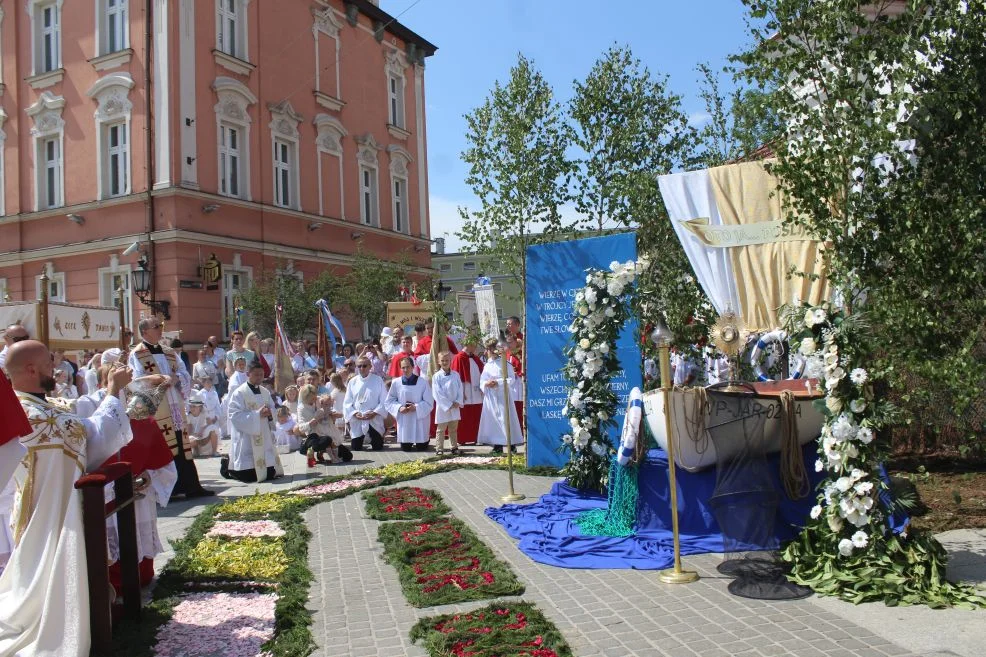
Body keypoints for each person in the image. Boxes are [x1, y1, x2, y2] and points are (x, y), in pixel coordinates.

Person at [1, 340, 131, 657]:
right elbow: (92, 436)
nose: (57, 367)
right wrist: (113, 392)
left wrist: (111, 390)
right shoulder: (33, 415)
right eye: (49, 362)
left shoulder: (33, 405)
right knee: (43, 579)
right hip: (50, 517)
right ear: (31, 369)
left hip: (38, 507)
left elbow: (79, 411)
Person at [129, 317, 213, 498]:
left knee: (182, 444)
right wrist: (157, 380)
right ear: (144, 332)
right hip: (158, 406)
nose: (160, 329)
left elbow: (184, 372)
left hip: (175, 403)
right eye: (156, 327)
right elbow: (137, 380)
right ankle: (169, 489)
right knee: (165, 445)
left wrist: (177, 379)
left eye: (161, 326)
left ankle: (191, 485)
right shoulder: (138, 354)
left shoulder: (169, 352)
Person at [221, 361, 283, 482]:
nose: (259, 377)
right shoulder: (239, 393)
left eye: (261, 374)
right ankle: (226, 465)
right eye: (256, 374)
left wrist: (270, 413)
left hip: (263, 434)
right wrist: (257, 414)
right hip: (247, 438)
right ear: (248, 374)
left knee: (270, 473)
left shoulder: (265, 392)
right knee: (247, 477)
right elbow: (234, 415)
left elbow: (273, 409)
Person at [477, 339, 524, 454]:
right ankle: (497, 445)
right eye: (487, 349)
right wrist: (486, 384)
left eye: (489, 349)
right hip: (491, 397)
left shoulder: (505, 363)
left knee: (506, 419)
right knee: (494, 420)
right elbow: (482, 380)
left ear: (494, 350)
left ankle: (511, 444)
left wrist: (498, 382)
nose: (487, 352)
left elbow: (511, 379)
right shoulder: (487, 365)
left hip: (502, 396)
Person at [386, 356, 434, 452]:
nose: (405, 370)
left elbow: (429, 402)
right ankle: (408, 442)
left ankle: (425, 440)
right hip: (405, 420)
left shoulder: (422, 382)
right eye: (403, 367)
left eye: (408, 367)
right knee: (406, 449)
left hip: (419, 419)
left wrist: (416, 407)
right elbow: (389, 401)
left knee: (421, 448)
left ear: (413, 367)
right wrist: (399, 408)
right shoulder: (396, 383)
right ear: (400, 368)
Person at [343, 356, 387, 451]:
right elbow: (347, 402)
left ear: (370, 366)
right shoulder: (352, 382)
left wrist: (375, 412)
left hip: (373, 417)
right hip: (358, 418)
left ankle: (378, 438)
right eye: (359, 366)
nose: (361, 368)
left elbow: (384, 400)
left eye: (364, 366)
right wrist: (354, 413)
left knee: (377, 447)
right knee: (356, 448)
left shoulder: (378, 380)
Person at [450, 337, 485, 445]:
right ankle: (463, 438)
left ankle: (476, 437)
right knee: (465, 416)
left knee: (476, 414)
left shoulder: (475, 358)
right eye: (474, 345)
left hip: (476, 392)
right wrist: (459, 393)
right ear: (468, 345)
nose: (475, 348)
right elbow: (455, 377)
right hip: (465, 392)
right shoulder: (458, 358)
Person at [432, 352, 463, 456]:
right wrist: (448, 404)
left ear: (450, 361)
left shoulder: (456, 375)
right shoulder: (436, 376)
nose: (445, 362)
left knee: (453, 429)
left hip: (455, 406)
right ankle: (439, 448)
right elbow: (437, 393)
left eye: (447, 360)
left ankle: (454, 447)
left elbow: (460, 389)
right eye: (442, 360)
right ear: (438, 362)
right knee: (441, 429)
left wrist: (458, 401)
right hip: (443, 407)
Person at [185, 393, 221, 457]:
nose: (192, 408)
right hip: (195, 437)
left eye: (194, 406)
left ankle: (214, 451)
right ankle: (196, 451)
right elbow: (189, 430)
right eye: (191, 406)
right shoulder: (189, 417)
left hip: (204, 436)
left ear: (200, 407)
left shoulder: (204, 414)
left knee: (213, 430)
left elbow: (210, 423)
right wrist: (193, 436)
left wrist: (202, 429)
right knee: (191, 440)